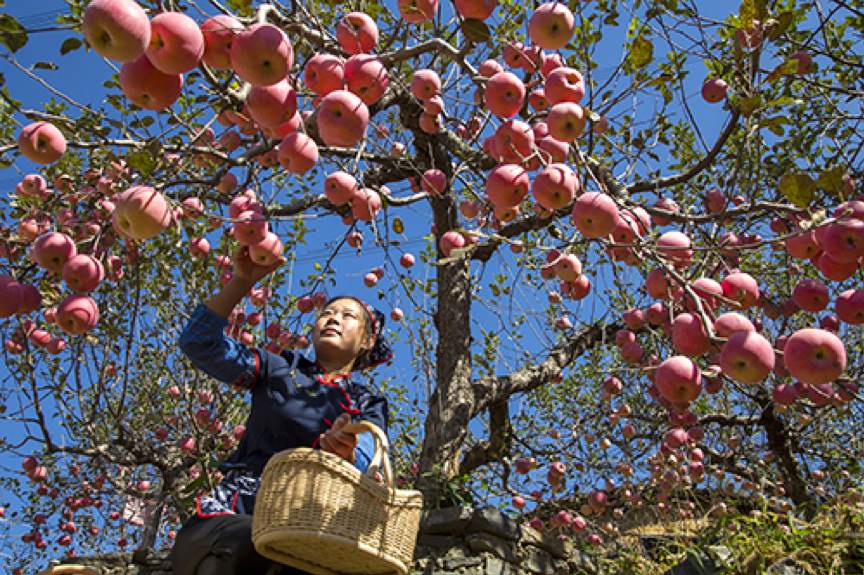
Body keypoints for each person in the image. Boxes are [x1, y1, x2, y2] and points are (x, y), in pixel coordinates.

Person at [169, 245, 393, 575]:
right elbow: (199, 343)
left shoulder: (366, 402)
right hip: (231, 521)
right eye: (327, 313)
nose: (333, 318)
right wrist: (242, 282)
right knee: (258, 545)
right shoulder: (278, 368)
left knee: (302, 559)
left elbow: (368, 459)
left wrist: (344, 451)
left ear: (366, 342)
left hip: (308, 522)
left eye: (348, 316)